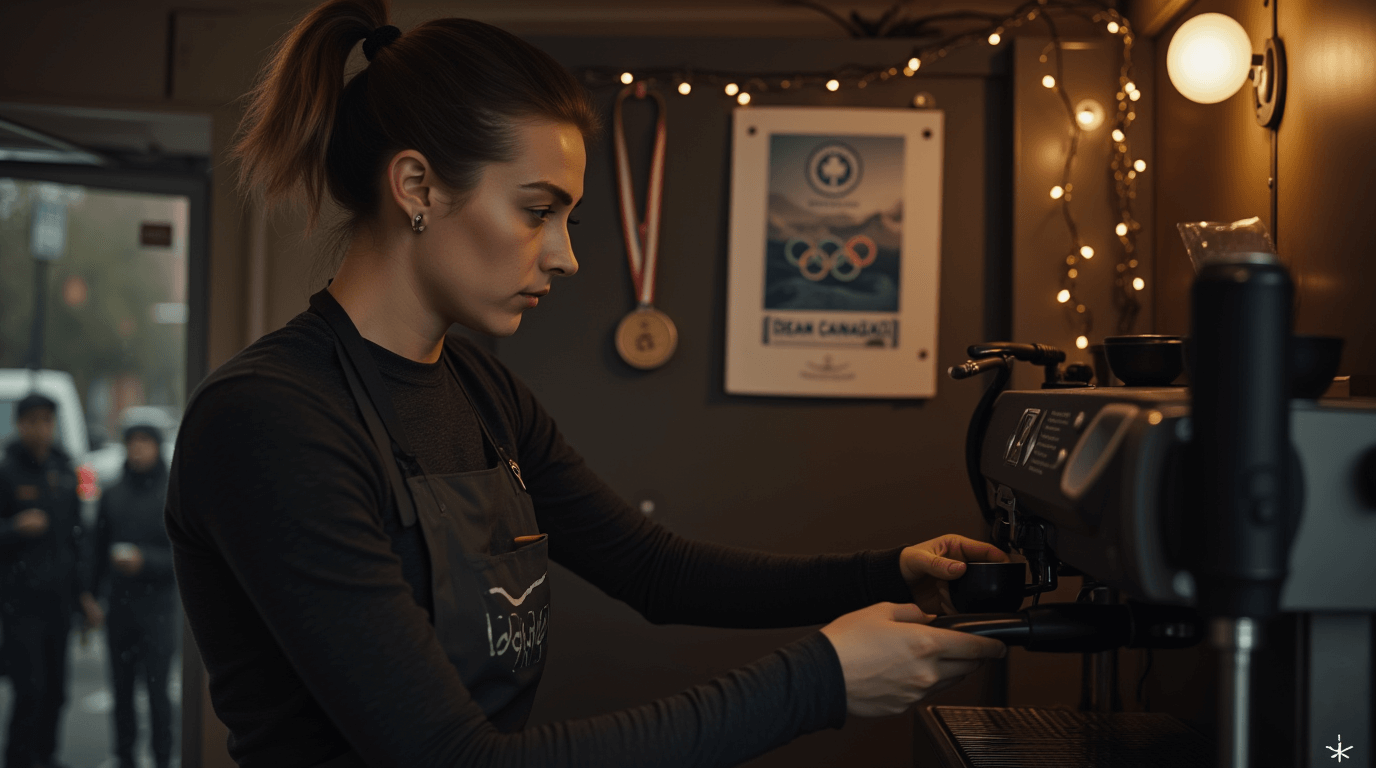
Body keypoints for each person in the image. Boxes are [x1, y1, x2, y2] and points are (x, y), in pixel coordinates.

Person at [164, 1, 1011, 766]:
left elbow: (653, 572)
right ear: (417, 186)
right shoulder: (272, 422)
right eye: (538, 211)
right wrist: (820, 681)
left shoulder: (481, 393)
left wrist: (889, 573)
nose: (566, 255)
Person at [0, 393, 101, 768]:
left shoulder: (63, 469)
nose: (42, 429)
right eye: (34, 421)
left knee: (56, 692)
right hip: (19, 602)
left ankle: (46, 757)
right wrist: (14, 527)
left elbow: (77, 539)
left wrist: (86, 594)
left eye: (48, 421)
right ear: (20, 424)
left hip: (58, 602)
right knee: (30, 690)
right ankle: (19, 759)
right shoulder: (7, 470)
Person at [85, 422, 178, 768]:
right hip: (120, 607)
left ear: (156, 448)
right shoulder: (113, 494)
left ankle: (163, 757)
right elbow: (96, 549)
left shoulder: (171, 494)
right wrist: (90, 595)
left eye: (145, 442)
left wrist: (146, 561)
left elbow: (182, 557)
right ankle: (124, 757)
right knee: (121, 692)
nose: (138, 449)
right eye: (132, 442)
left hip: (158, 609)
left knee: (157, 693)